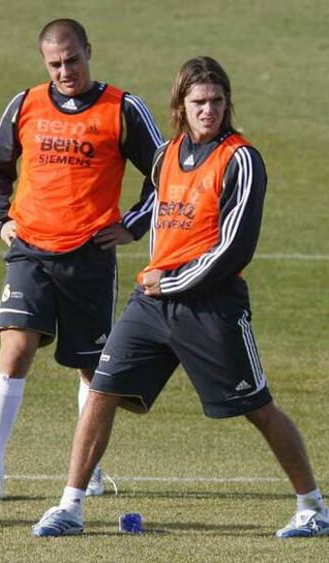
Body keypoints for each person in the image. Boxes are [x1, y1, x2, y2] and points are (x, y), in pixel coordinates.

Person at [31, 56, 329, 539]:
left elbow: (234, 248)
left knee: (257, 406)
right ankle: (70, 506)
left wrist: (169, 281)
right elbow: (156, 205)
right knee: (102, 390)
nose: (208, 109)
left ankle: (312, 507)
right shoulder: (167, 154)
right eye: (198, 102)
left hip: (211, 306)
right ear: (181, 105)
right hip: (151, 305)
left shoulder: (242, 159)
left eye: (216, 101)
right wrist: (131, 234)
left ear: (227, 103)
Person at [0, 18, 163, 501]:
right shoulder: (26, 104)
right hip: (30, 250)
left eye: (72, 59)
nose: (64, 71)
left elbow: (166, 173)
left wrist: (133, 224)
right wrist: (1, 220)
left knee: (94, 370)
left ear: (88, 52)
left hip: (90, 258)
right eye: (55, 63)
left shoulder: (123, 107)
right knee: (14, 351)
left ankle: (88, 468)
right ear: (44, 63)